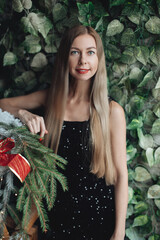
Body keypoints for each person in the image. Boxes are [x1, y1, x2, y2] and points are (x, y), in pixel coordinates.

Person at [0, 25, 128, 240]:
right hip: (55, 222)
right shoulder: (51, 99)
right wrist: (24, 114)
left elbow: (122, 175)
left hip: (100, 221)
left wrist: (119, 231)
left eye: (90, 52)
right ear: (64, 58)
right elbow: (3, 104)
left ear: (98, 59)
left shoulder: (111, 111)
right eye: (74, 52)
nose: (83, 61)